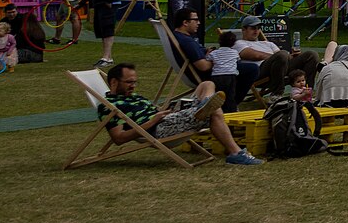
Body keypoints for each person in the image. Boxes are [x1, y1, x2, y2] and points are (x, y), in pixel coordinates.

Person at [96, 62, 262, 165]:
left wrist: (164, 111)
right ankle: (235, 153)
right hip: (157, 130)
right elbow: (118, 139)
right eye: (129, 82)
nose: (133, 86)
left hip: (167, 118)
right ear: (113, 82)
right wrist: (154, 120)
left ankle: (203, 106)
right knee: (214, 111)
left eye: (134, 82)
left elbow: (153, 112)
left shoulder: (132, 97)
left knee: (207, 83)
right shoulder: (109, 106)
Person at [235, 16, 322, 100]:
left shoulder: (268, 44)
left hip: (280, 69)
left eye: (258, 28)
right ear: (244, 29)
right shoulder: (239, 43)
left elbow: (283, 58)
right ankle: (277, 93)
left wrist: (292, 56)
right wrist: (278, 57)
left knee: (311, 55)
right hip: (259, 72)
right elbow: (254, 55)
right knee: (282, 54)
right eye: (253, 28)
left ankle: (306, 92)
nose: (256, 31)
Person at [166, 7, 212, 81]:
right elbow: (203, 66)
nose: (199, 23)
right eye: (196, 20)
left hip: (191, 74)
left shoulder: (176, 36)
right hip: (210, 77)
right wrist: (220, 60)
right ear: (185, 23)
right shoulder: (187, 41)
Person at [208, 30, 242, 106]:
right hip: (231, 75)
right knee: (230, 94)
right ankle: (230, 109)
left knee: (218, 94)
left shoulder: (214, 53)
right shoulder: (235, 52)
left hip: (217, 75)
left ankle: (218, 108)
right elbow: (238, 60)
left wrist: (208, 52)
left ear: (219, 41)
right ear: (233, 43)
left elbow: (208, 58)